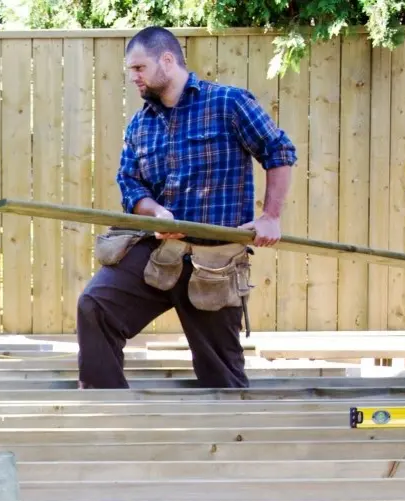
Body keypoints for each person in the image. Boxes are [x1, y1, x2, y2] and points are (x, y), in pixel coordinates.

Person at [76, 26, 298, 389]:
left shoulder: (228, 103)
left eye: (139, 68)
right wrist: (157, 213)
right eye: (131, 70)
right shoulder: (140, 124)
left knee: (222, 378)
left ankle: (229, 440)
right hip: (156, 253)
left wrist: (271, 216)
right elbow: (130, 185)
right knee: (95, 306)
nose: (133, 77)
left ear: (167, 60)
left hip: (214, 264)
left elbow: (279, 151)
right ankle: (108, 420)